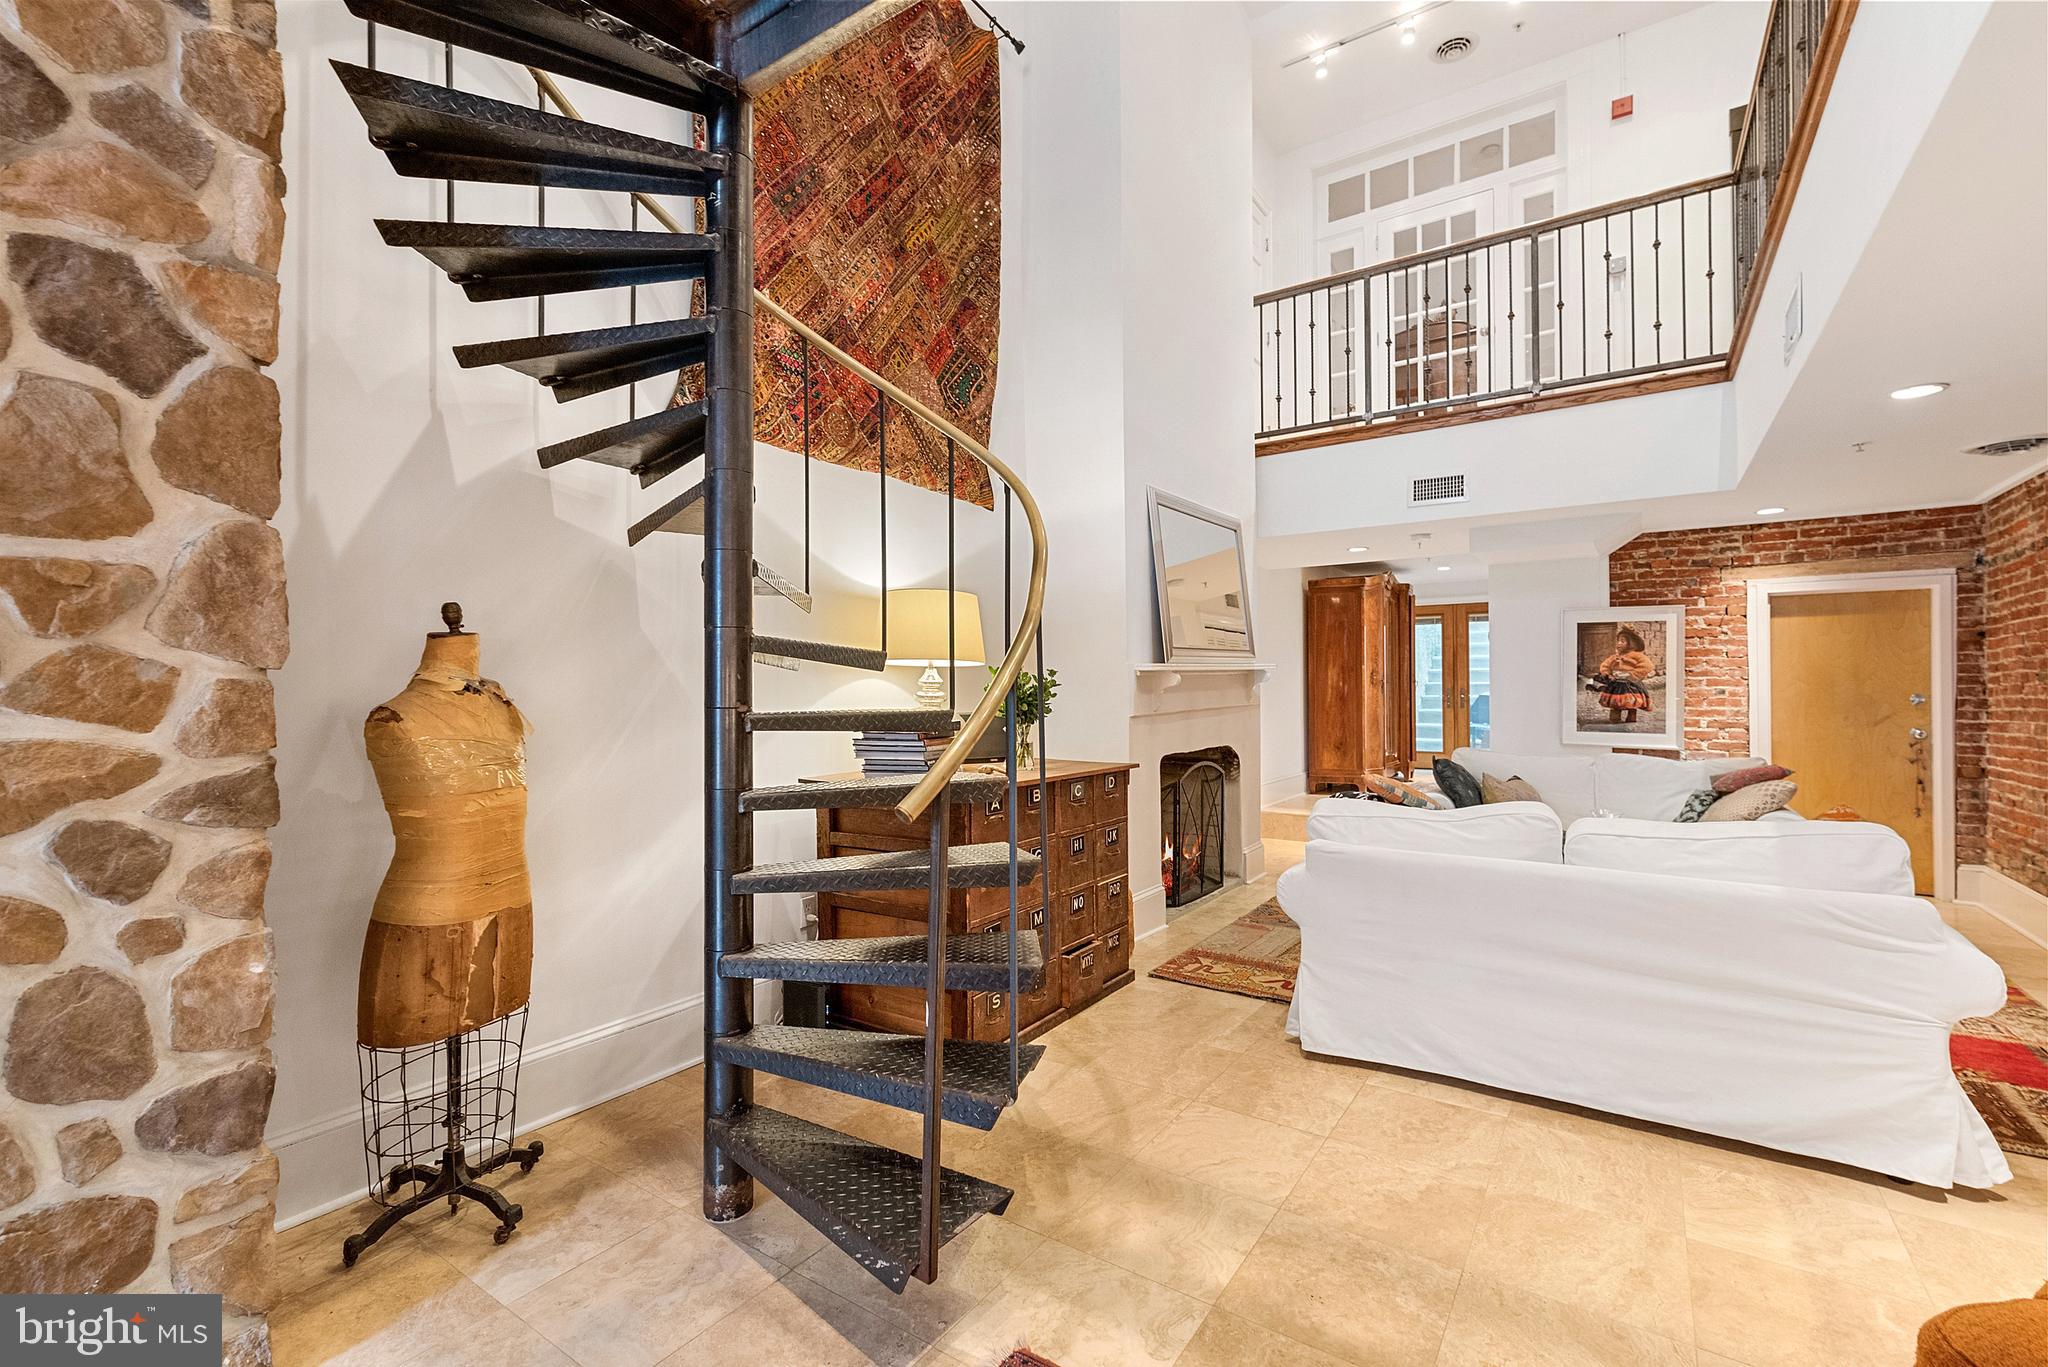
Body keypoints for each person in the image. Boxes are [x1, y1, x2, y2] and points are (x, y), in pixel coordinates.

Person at [1589, 625, 1655, 725]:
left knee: (1632, 701)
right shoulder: (1615, 657)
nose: (1619, 643)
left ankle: (1631, 718)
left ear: (1631, 644)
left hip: (1631, 684)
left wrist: (1632, 675)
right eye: (1618, 641)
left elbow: (1647, 666)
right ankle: (1615, 719)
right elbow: (1605, 665)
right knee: (1615, 702)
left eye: (1622, 641)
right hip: (1616, 684)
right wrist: (1608, 674)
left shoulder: (1637, 656)